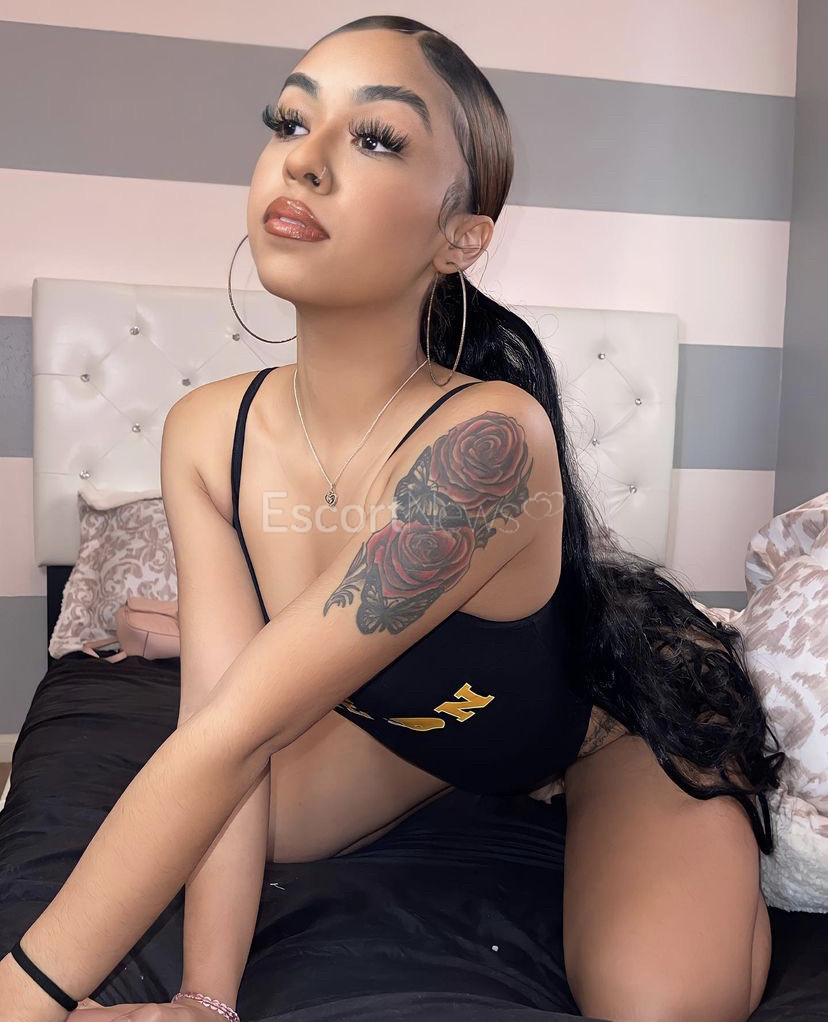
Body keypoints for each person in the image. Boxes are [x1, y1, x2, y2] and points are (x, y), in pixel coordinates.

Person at [0, 15, 785, 1023]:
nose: (305, 160)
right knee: (247, 804)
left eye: (376, 137)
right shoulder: (206, 432)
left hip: (603, 712)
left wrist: (22, 995)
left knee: (659, 1003)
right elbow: (220, 735)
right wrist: (203, 997)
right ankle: (250, 648)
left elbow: (233, 735)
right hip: (427, 724)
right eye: (290, 122)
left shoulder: (489, 443)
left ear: (462, 237)